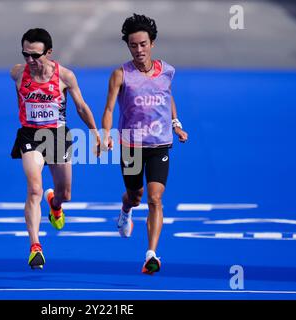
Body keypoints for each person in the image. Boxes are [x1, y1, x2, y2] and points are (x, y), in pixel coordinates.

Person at [101, 14, 188, 275]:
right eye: (133, 45)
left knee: (155, 198)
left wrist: (176, 124)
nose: (139, 50)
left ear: (152, 43)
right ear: (128, 46)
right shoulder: (120, 74)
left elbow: (167, 97)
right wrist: (105, 134)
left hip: (160, 144)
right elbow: (108, 108)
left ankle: (151, 254)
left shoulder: (167, 71)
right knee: (136, 196)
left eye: (143, 44)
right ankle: (125, 209)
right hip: (131, 146)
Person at [10, 28, 100, 269]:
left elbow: (81, 107)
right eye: (25, 54)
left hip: (57, 137)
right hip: (30, 136)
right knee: (34, 189)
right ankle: (35, 246)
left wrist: (95, 133)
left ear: (48, 52)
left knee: (66, 194)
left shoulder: (65, 76)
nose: (30, 60)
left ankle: (56, 205)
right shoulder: (18, 73)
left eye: (35, 55)